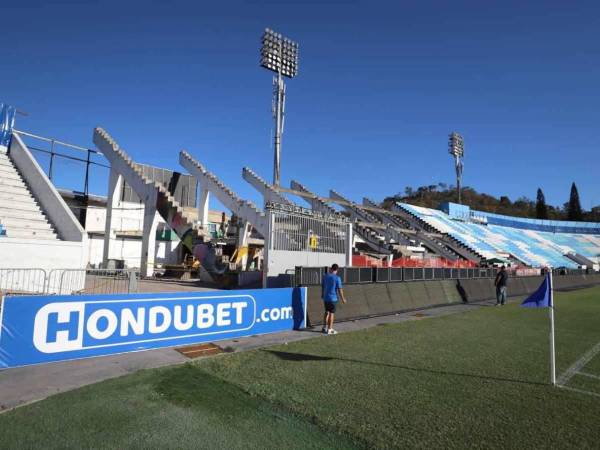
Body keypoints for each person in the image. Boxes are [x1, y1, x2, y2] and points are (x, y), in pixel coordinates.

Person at [321, 263, 347, 335]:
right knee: (332, 313)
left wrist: (322, 294)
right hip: (333, 299)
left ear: (331, 268)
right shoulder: (337, 278)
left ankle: (324, 327)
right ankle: (330, 329)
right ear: (337, 270)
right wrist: (343, 299)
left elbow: (323, 286)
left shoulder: (325, 276)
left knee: (327, 312)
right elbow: (340, 289)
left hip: (326, 298)